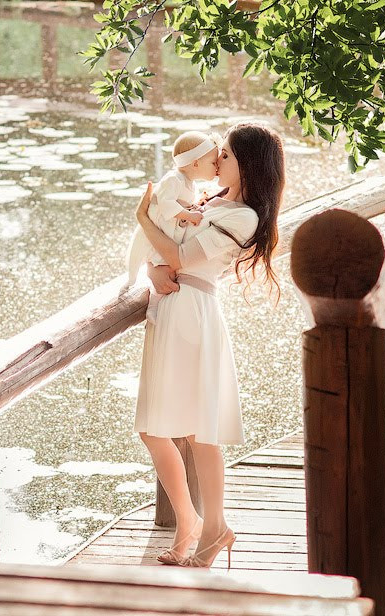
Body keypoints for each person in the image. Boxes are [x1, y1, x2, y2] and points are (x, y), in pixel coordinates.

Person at [133, 123, 285, 569]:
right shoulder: (212, 202)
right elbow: (165, 252)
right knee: (153, 428)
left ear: (249, 166)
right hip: (171, 311)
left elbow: (180, 257)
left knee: (200, 433)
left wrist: (143, 220)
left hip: (193, 314)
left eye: (227, 155)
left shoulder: (244, 217)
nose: (216, 160)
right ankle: (191, 523)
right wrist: (150, 271)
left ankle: (212, 527)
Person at [125, 131, 220, 324]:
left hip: (171, 230)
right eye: (213, 163)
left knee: (166, 266)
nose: (217, 167)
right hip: (160, 228)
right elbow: (167, 204)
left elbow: (183, 203)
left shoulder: (188, 182)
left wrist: (194, 206)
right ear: (195, 164)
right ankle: (153, 305)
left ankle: (158, 303)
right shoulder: (173, 179)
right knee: (162, 265)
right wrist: (189, 215)